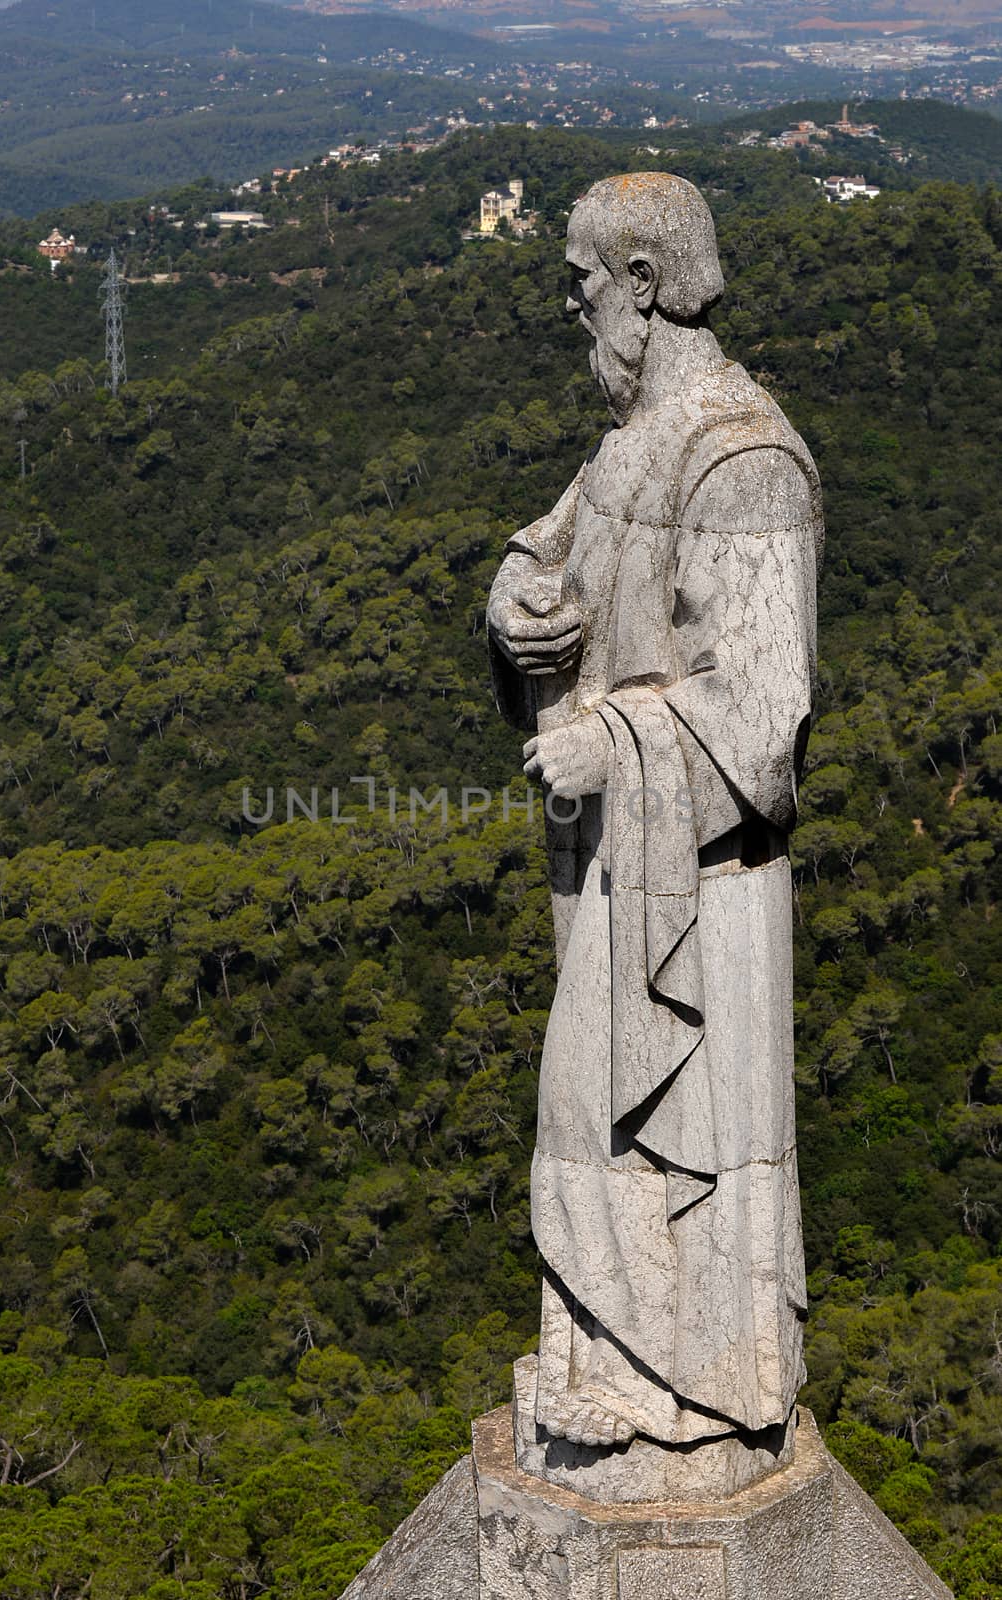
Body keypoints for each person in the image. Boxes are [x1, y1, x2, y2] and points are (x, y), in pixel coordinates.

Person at [487, 173, 824, 1453]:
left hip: (708, 904)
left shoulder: (743, 464)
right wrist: (513, 612)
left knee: (664, 1134)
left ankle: (694, 1386)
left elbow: (761, 720)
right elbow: (540, 552)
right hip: (615, 880)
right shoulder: (630, 441)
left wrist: (608, 743)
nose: (572, 309)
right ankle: (617, 1364)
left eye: (580, 284)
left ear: (638, 282)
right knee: (593, 1132)